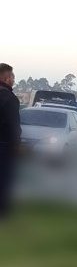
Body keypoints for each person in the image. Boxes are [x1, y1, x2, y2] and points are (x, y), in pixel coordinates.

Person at [0, 63, 21, 219]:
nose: (13, 79)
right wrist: (16, 145)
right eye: (12, 76)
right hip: (4, 145)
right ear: (7, 78)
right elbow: (13, 125)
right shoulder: (9, 98)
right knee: (4, 179)